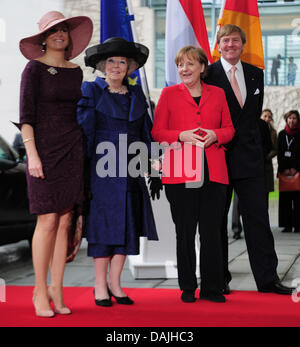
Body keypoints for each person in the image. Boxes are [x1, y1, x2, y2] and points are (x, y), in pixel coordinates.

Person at [205, 24, 294, 295]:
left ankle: (268, 279)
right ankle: (219, 279)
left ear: (243, 45)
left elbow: (253, 119)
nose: (230, 45)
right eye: (225, 41)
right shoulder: (208, 74)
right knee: (216, 221)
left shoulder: (256, 75)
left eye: (235, 41)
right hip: (218, 157)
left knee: (258, 220)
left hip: (251, 161)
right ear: (218, 45)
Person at [16, 11, 93, 317]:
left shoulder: (76, 71)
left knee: (65, 222)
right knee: (46, 220)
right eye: (53, 30)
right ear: (43, 38)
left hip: (72, 149)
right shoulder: (32, 69)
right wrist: (32, 154)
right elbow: (26, 117)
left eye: (63, 29)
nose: (60, 34)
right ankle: (38, 290)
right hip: (43, 152)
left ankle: (57, 289)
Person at [77, 37, 159, 307]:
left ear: (130, 66)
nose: (116, 66)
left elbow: (145, 133)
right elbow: (84, 133)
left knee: (127, 226)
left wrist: (152, 161)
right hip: (101, 171)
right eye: (111, 61)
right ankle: (99, 285)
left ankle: (115, 283)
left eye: (122, 61)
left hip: (131, 171)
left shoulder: (136, 95)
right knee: (103, 228)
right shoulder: (91, 91)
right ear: (102, 65)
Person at [152, 45, 235, 303]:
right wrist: (180, 135)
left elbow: (230, 129)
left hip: (214, 172)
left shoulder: (219, 94)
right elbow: (157, 133)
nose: (184, 69)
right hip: (180, 172)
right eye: (180, 65)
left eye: (189, 64)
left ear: (202, 67)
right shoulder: (168, 94)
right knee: (185, 232)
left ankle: (212, 287)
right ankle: (187, 286)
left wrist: (216, 135)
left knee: (211, 231)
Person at [277, 110, 300, 233]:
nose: (292, 120)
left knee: (298, 200)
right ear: (286, 120)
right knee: (285, 200)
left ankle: (298, 225)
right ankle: (287, 225)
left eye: (294, 118)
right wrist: (284, 169)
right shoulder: (282, 134)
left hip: (297, 172)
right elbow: (280, 153)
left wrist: (295, 168)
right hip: (284, 172)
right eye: (290, 118)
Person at [260, 109, 278, 207]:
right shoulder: (255, 129)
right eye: (265, 116)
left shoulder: (273, 132)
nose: (267, 119)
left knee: (265, 194)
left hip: (266, 165)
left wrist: (266, 156)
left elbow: (275, 149)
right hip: (256, 165)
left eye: (269, 117)